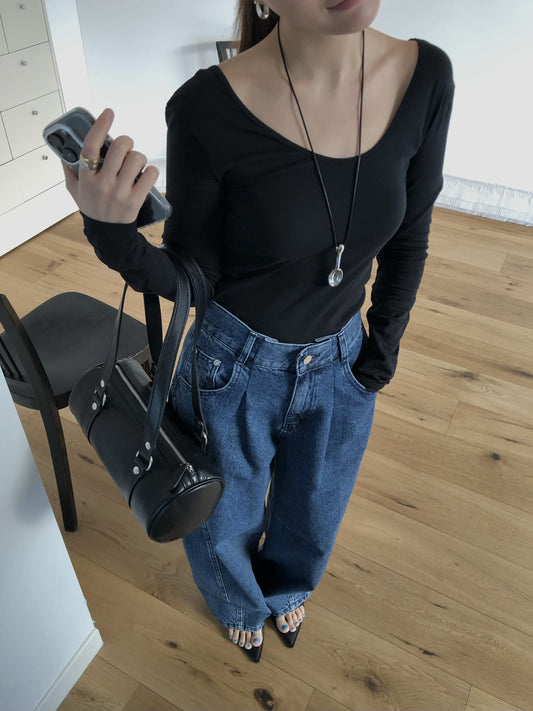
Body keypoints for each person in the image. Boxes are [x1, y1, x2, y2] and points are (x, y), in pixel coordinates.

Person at [62, 0, 454, 663]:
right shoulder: (205, 108)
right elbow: (193, 279)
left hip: (344, 359)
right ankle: (237, 602)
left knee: (315, 508)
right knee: (225, 515)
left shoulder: (426, 76)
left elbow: (410, 233)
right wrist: (111, 234)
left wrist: (379, 354)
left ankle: (286, 587)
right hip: (231, 365)